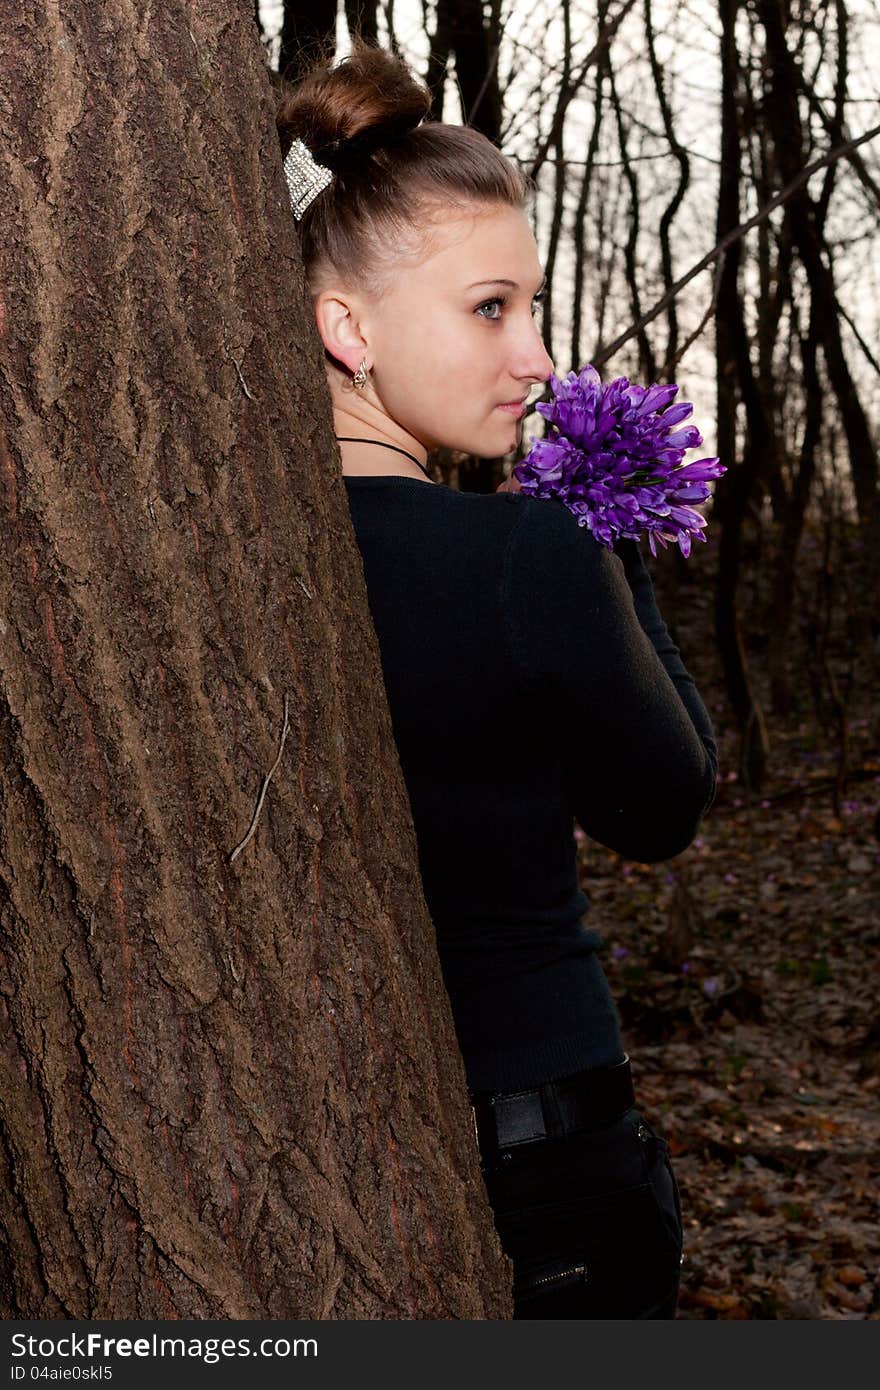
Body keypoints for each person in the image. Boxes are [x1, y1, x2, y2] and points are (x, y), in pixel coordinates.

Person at [275, 40, 718, 1320]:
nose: (535, 357)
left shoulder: (230, 561)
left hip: (331, 1162)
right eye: (490, 308)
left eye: (532, 307)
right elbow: (665, 802)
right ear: (344, 327)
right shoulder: (530, 554)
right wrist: (614, 542)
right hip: (552, 1174)